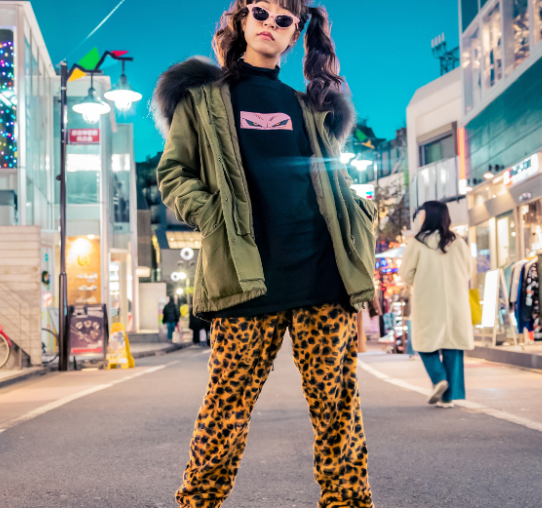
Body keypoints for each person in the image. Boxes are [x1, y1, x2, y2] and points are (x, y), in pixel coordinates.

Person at [152, 1, 377, 506]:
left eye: (283, 19)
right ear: (240, 20)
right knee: (225, 409)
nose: (269, 25)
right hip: (244, 278)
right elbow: (174, 173)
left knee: (337, 409)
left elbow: (328, 179)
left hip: (323, 274)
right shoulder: (204, 100)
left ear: (295, 34)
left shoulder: (310, 105)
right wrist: (212, 217)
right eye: (260, 12)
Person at [399, 202, 475, 408]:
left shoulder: (418, 243)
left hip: (428, 300)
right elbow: (468, 272)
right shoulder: (458, 242)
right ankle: (448, 397)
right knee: (453, 345)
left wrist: (419, 280)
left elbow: (406, 274)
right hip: (456, 302)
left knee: (424, 343)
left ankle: (439, 377)